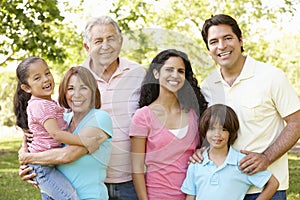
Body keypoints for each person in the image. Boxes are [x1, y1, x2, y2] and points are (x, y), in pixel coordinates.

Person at [190, 14, 300, 200]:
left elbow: (296, 122)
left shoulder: (271, 76)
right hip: (224, 191)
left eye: (227, 38)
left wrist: (266, 157)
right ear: (209, 49)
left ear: (240, 40)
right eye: (214, 41)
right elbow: (210, 127)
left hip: (267, 187)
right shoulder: (209, 86)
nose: (222, 46)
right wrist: (201, 150)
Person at [18, 66, 113, 199]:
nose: (77, 94)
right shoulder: (63, 120)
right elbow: (36, 139)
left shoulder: (100, 119)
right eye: (70, 88)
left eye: (83, 88)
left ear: (93, 91)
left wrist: (27, 158)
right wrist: (28, 168)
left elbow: (66, 155)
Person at [82, 16, 146, 199]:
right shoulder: (77, 76)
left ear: (120, 41)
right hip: (90, 181)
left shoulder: (139, 74)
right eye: (98, 41)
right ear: (87, 47)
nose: (106, 46)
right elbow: (58, 122)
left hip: (131, 180)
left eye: (111, 39)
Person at [130, 49, 207, 199]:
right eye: (169, 70)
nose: (175, 75)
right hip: (157, 195)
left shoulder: (193, 114)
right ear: (156, 73)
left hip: (194, 195)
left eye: (180, 71)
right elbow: (137, 168)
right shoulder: (143, 116)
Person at [181, 104, 279, 200]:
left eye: (223, 129)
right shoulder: (197, 162)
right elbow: (190, 196)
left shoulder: (242, 162)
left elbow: (273, 184)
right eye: (211, 129)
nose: (217, 134)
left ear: (230, 132)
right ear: (205, 131)